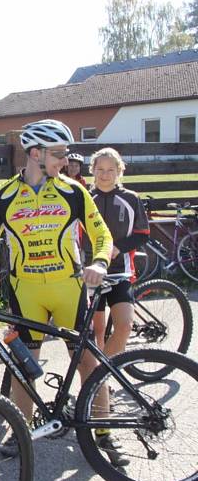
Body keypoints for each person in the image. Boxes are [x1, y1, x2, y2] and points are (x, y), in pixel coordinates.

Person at [0, 120, 125, 466]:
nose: (65, 161)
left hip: (69, 288)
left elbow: (103, 235)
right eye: (58, 154)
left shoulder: (73, 191)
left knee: (88, 362)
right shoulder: (5, 196)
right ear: (36, 153)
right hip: (26, 291)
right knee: (24, 365)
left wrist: (99, 263)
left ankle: (104, 432)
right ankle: (22, 433)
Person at [89, 147, 149, 357]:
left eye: (110, 170)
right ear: (93, 170)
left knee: (124, 326)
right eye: (100, 169)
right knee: (96, 332)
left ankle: (106, 370)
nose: (105, 175)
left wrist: (118, 248)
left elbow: (142, 234)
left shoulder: (131, 199)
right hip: (90, 272)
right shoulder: (85, 198)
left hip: (119, 272)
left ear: (119, 171)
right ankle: (99, 384)